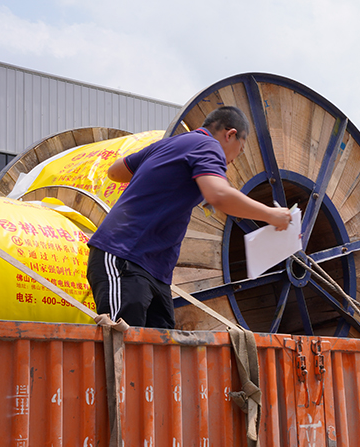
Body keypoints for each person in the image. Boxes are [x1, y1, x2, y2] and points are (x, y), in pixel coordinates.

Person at [87, 106, 292, 328]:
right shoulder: (209, 145)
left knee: (159, 346)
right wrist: (271, 215)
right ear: (230, 134)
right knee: (123, 342)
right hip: (123, 256)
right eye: (240, 150)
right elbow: (219, 195)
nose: (233, 160)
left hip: (153, 271)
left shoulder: (171, 144)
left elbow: (115, 171)